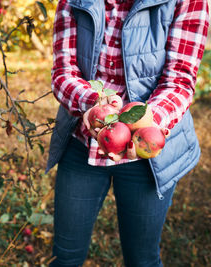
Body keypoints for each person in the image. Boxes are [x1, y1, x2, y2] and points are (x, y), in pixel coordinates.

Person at [46, 0, 210, 266]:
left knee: (142, 259)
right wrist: (92, 104)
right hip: (84, 141)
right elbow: (64, 71)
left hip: (148, 155)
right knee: (65, 256)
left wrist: (144, 124)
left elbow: (179, 80)